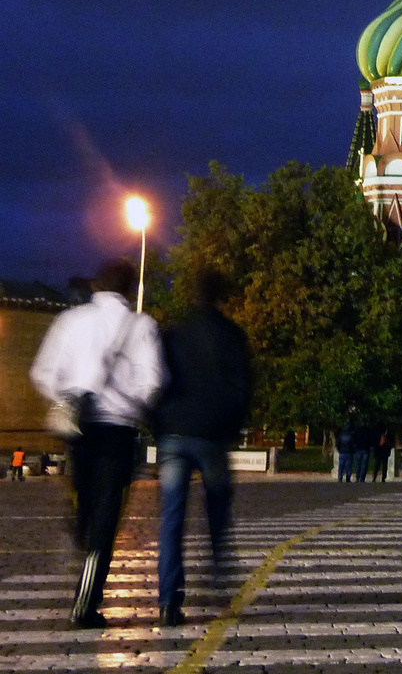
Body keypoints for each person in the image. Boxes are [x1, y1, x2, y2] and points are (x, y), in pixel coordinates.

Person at [30, 259, 163, 629]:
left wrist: (68, 396)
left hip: (77, 429)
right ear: (129, 288)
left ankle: (80, 524)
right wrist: (132, 404)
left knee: (86, 499)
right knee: (107, 520)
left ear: (96, 285)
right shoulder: (141, 325)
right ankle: (85, 604)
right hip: (117, 432)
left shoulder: (70, 321)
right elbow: (152, 381)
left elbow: (42, 372)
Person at [153, 267, 253, 627]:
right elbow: (243, 388)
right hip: (212, 436)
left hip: (174, 435)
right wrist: (231, 428)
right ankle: (217, 568)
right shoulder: (231, 335)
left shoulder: (172, 334)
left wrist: (159, 426)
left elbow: (156, 380)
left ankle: (168, 599)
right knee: (218, 504)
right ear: (220, 295)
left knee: (171, 518)